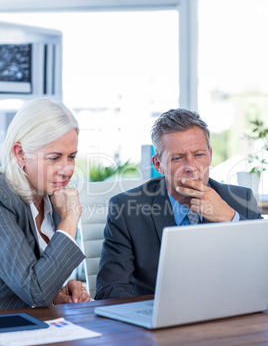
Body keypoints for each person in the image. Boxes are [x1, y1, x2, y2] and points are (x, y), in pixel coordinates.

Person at [95, 108, 262, 300]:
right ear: (158, 165)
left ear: (210, 155)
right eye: (178, 158)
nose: (191, 167)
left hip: (228, 315)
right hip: (156, 321)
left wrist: (231, 219)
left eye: (199, 155)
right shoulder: (125, 209)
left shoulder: (241, 201)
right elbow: (109, 292)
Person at [0, 98, 90, 310]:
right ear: (21, 154)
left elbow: (41, 287)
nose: (67, 169)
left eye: (72, 157)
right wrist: (69, 220)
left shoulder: (52, 197)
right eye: (54, 158)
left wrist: (57, 294)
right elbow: (34, 291)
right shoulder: (3, 199)